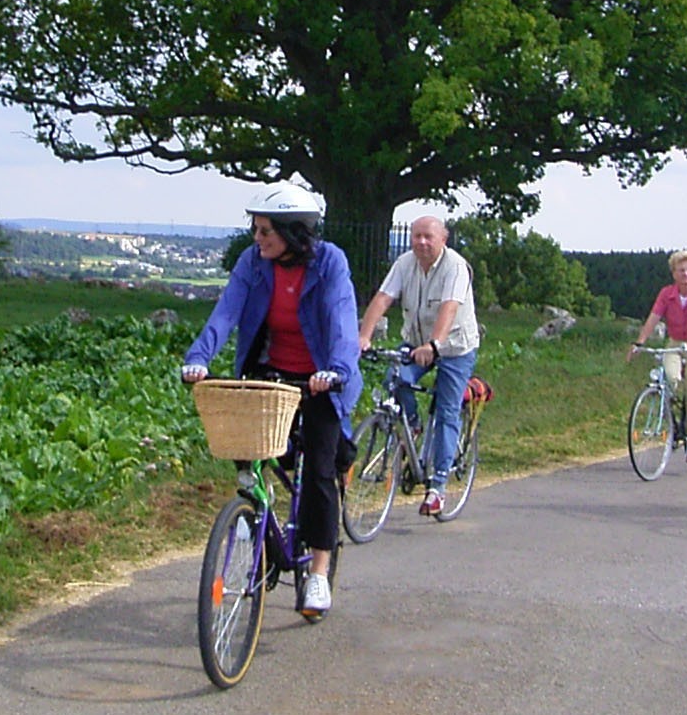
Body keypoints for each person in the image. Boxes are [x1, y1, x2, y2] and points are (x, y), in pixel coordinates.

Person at [181, 183, 362, 620]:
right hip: (270, 370)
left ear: (294, 233)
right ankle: (252, 514)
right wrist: (199, 358)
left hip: (322, 376)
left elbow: (341, 319)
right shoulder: (252, 263)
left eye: (266, 231)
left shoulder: (330, 262)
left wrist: (336, 370)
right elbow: (226, 312)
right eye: (256, 229)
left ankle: (318, 570)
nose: (257, 239)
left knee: (318, 470)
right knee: (248, 448)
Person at [358, 215, 480, 518]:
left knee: (447, 409)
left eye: (428, 236)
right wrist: (363, 336)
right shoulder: (405, 263)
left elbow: (449, 307)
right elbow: (383, 297)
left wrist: (435, 345)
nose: (422, 242)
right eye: (416, 236)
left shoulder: (456, 267)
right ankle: (412, 424)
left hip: (453, 347)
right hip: (415, 341)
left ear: (443, 239)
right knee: (394, 379)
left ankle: (437, 487)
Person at [627, 249, 687, 468]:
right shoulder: (667, 294)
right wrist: (640, 342)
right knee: (671, 380)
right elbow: (654, 317)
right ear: (674, 273)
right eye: (681, 270)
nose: (686, 274)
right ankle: (672, 421)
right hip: (675, 343)